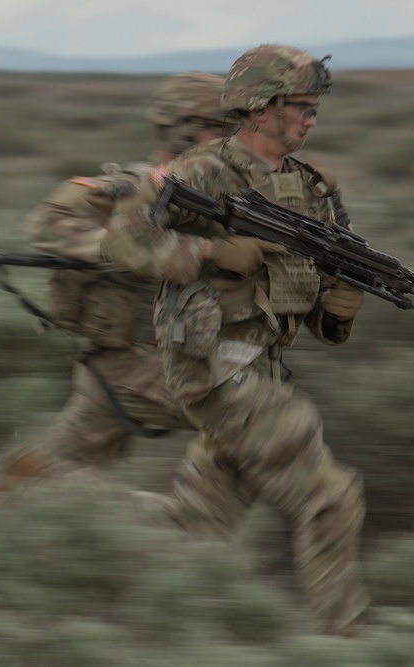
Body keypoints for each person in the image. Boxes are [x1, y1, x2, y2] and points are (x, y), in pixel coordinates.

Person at [100, 44, 369, 637]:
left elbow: (310, 301)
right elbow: (121, 241)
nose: (311, 118)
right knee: (330, 499)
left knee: (195, 527)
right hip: (215, 368)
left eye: (315, 107)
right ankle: (347, 645)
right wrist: (210, 249)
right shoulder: (201, 170)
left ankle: (72, 525)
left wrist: (339, 307)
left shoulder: (309, 188)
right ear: (258, 107)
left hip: (262, 366)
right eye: (300, 106)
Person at [0, 72, 238, 495]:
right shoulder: (129, 189)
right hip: (129, 365)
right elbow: (48, 222)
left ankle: (3, 516)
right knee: (259, 421)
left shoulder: (226, 200)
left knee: (58, 469)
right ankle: (185, 535)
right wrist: (158, 251)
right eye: (219, 126)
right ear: (178, 127)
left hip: (170, 358)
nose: (231, 139)